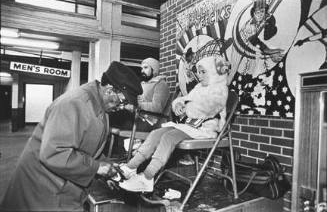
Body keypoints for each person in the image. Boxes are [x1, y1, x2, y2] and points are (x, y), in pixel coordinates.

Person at [0, 61, 143, 212]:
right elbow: (54, 153)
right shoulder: (74, 103)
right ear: (109, 90)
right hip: (42, 186)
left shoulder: (101, 107)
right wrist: (96, 168)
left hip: (62, 182)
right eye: (122, 102)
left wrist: (107, 166)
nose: (121, 108)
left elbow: (87, 148)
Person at [118, 54, 230, 192]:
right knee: (156, 133)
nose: (199, 75)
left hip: (205, 129)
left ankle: (147, 178)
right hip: (190, 126)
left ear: (213, 72)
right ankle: (131, 167)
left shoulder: (220, 90)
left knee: (168, 137)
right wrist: (178, 104)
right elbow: (184, 100)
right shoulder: (199, 87)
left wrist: (186, 107)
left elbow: (205, 109)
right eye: (198, 72)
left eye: (203, 72)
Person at [110, 57, 169, 132]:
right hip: (137, 115)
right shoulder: (143, 84)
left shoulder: (161, 84)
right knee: (110, 115)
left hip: (149, 121)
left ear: (154, 69)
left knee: (115, 119)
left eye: (145, 68)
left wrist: (138, 104)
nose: (142, 71)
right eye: (142, 68)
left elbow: (157, 107)